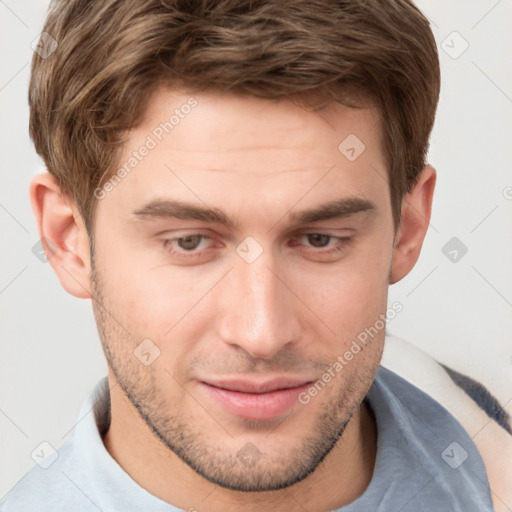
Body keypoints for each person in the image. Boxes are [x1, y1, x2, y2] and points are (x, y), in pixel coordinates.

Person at [1, 0, 509, 511]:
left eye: (320, 239)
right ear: (69, 240)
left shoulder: (486, 438)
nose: (261, 334)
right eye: (189, 242)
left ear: (408, 230)